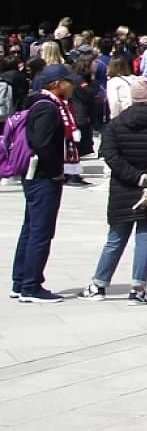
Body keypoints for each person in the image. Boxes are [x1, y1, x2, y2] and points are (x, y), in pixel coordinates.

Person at [82, 75, 147, 302]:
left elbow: (110, 156)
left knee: (115, 238)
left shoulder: (116, 124)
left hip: (123, 186)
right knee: (145, 238)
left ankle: (99, 284)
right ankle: (138, 289)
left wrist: (136, 178)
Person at [9, 66, 78, 301]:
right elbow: (42, 142)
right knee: (41, 231)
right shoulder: (49, 108)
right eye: (69, 82)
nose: (73, 86)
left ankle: (20, 282)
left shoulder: (37, 103)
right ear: (56, 84)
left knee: (30, 229)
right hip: (43, 176)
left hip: (33, 175)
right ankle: (31, 286)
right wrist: (56, 170)